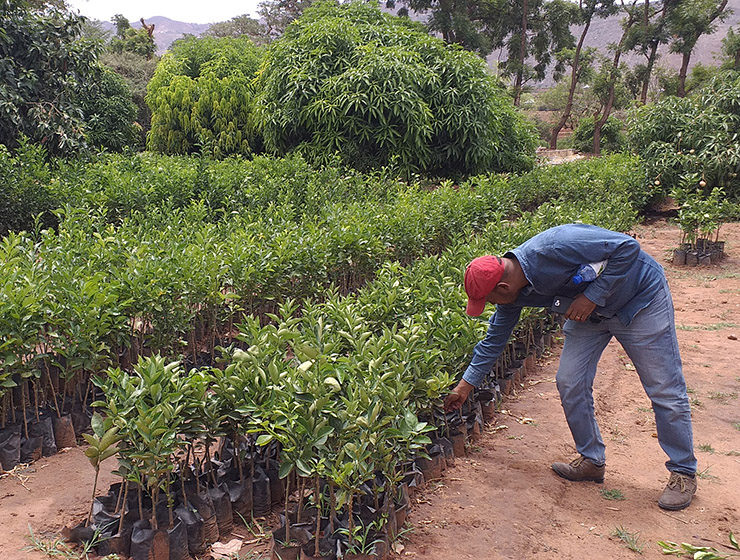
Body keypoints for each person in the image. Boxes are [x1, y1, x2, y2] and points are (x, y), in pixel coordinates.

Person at [443, 223, 697, 511]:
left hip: (639, 301)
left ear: (502, 287)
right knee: (569, 381)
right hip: (589, 317)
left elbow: (628, 248)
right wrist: (466, 385)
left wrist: (591, 296)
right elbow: (495, 338)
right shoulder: (514, 293)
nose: (492, 304)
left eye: (489, 300)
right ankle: (591, 460)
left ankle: (683, 472)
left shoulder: (555, 245)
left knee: (664, 388)